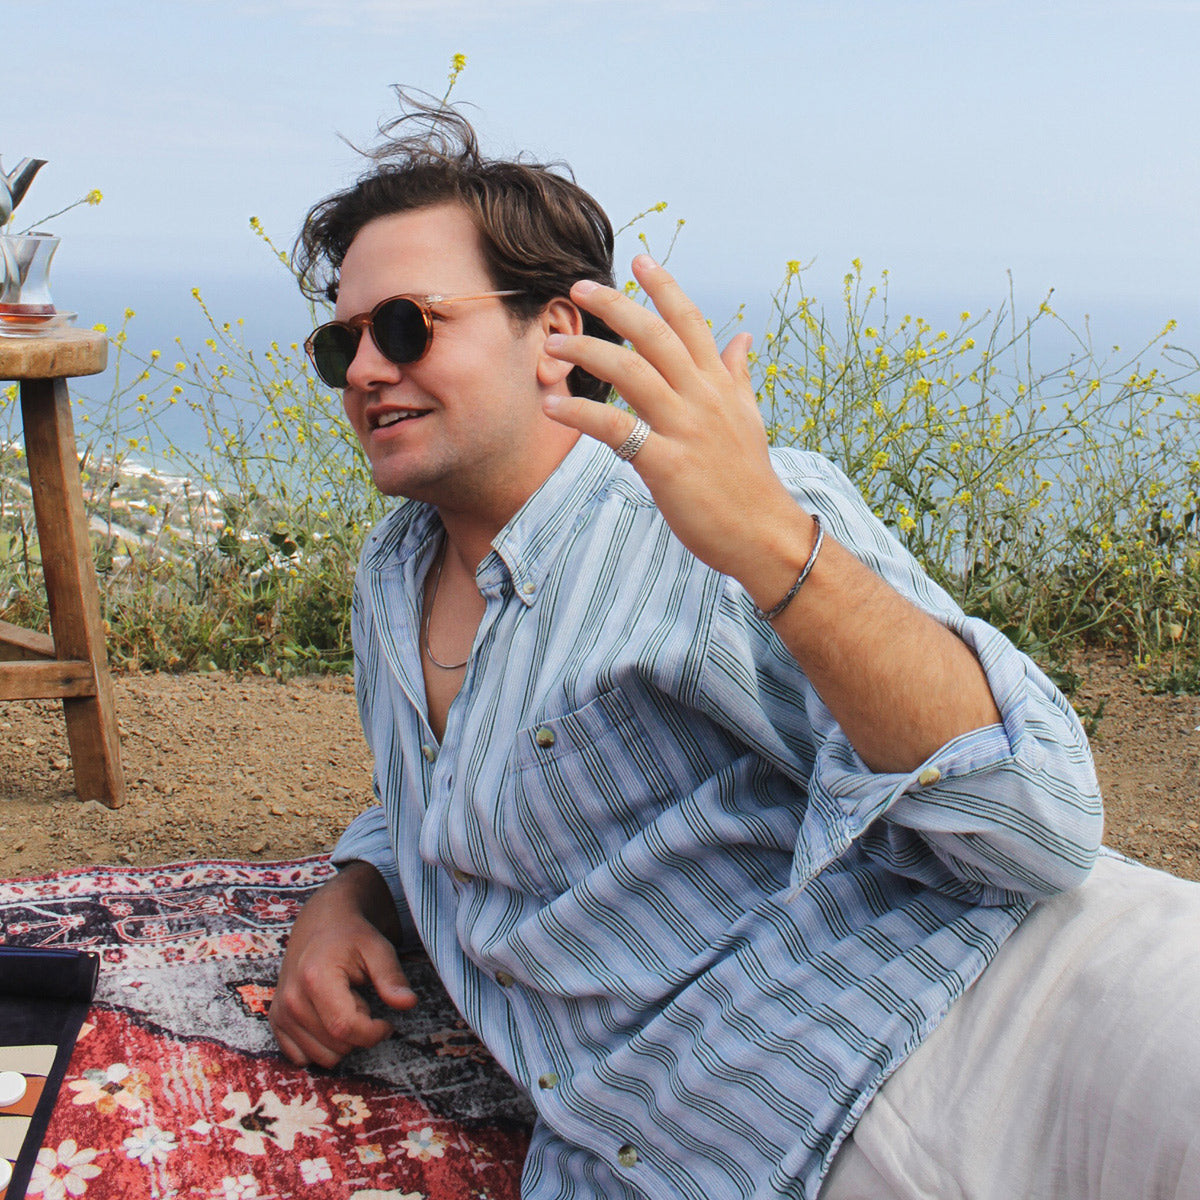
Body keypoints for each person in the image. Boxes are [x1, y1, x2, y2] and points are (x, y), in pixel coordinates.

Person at [269, 93, 1199, 1200]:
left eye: (406, 326)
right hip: (741, 1141)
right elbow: (451, 782)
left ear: (555, 335)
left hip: (1025, 1015)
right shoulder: (393, 577)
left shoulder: (713, 522)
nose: (365, 370)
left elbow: (1036, 827)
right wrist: (353, 893)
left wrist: (769, 540)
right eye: (342, 344)